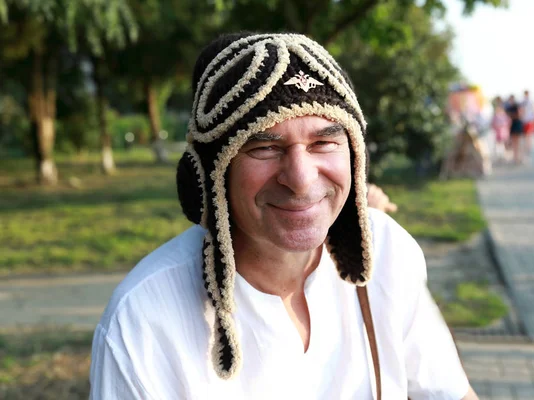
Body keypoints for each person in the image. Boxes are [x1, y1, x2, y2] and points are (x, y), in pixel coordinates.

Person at [89, 32, 479, 399]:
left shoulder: (389, 253)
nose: (300, 179)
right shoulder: (142, 321)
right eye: (264, 148)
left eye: (324, 142)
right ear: (210, 176)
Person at [490, 96, 510, 162]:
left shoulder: (503, 115)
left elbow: (508, 122)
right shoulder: (495, 116)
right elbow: (492, 123)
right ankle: (499, 156)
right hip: (498, 132)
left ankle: (503, 155)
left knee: (503, 144)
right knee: (498, 144)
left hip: (502, 131)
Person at [505, 94, 523, 164]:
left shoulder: (516, 106)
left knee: (517, 142)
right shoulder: (509, 107)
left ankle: (518, 157)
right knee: (514, 143)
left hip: (516, 124)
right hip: (512, 125)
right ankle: (515, 157)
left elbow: (518, 115)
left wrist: (512, 115)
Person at [521, 90, 534, 159]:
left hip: (530, 121)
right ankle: (527, 147)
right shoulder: (523, 102)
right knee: (527, 136)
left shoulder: (530, 101)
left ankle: (528, 148)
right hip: (526, 121)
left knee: (529, 135)